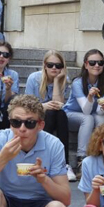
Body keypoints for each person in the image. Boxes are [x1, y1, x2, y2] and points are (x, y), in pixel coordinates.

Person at [25, 50, 75, 181]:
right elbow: (26, 107)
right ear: (44, 65)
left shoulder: (64, 79)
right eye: (50, 65)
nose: (54, 68)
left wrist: (58, 81)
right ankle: (53, 161)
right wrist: (43, 107)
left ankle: (64, 164)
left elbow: (59, 104)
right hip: (35, 116)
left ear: (63, 67)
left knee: (58, 113)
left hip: (56, 116)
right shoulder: (34, 78)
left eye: (58, 66)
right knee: (53, 113)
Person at [64, 49, 104, 177]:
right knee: (88, 118)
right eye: (92, 62)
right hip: (70, 115)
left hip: (89, 114)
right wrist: (90, 97)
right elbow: (86, 110)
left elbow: (98, 112)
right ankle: (81, 159)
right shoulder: (78, 83)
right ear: (86, 64)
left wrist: (103, 106)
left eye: (100, 62)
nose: (96, 65)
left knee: (102, 120)